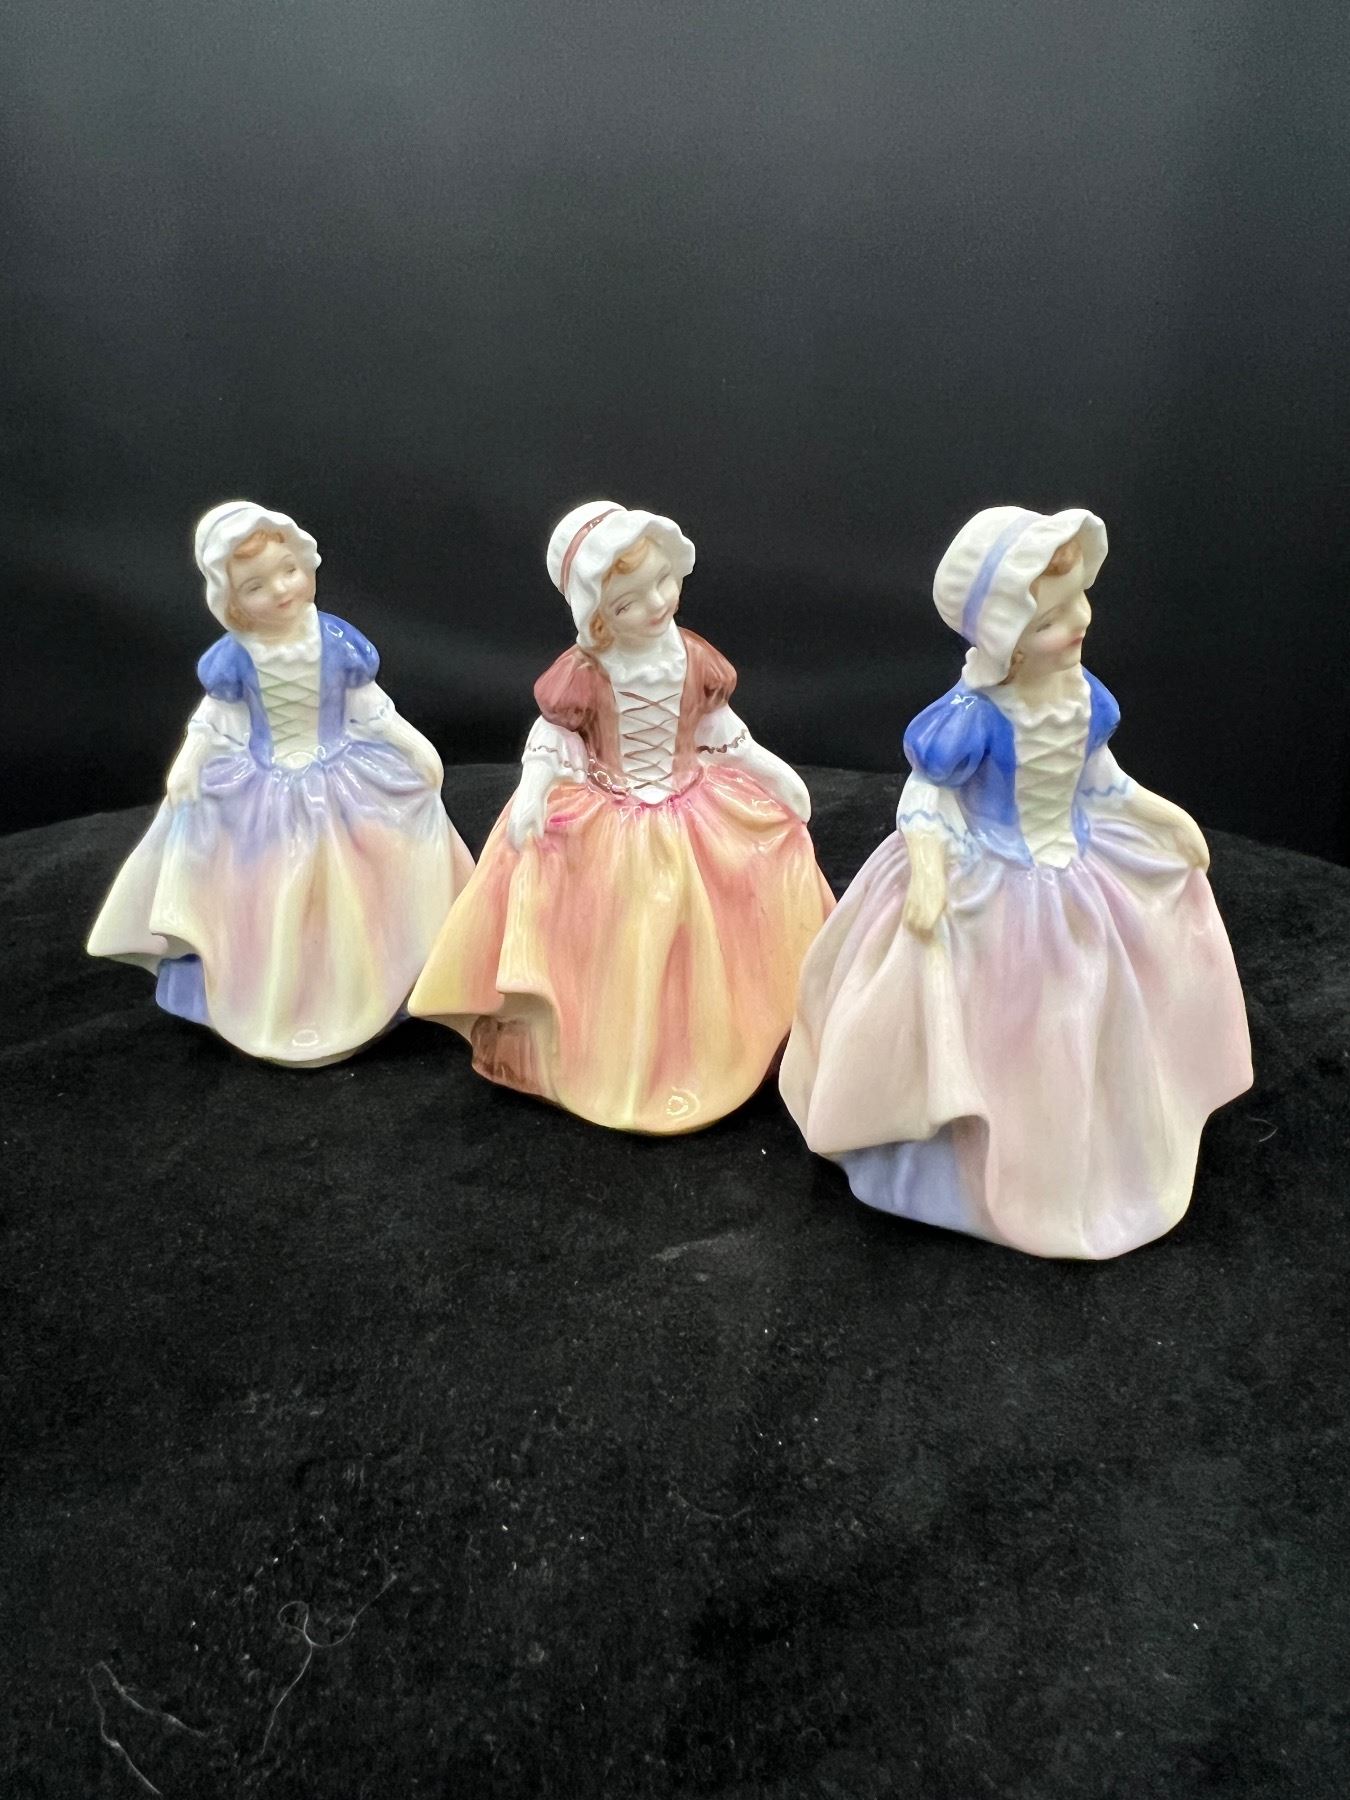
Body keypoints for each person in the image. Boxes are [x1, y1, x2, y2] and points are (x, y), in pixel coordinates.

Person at [779, 505, 1253, 1258]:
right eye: (1051, 619)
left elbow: (1101, 780)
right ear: (1006, 638)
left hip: (1073, 862)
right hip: (987, 871)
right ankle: (970, 1151)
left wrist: (1162, 817)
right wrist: (927, 871)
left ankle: (1100, 1138)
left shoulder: (1083, 697)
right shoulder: (970, 716)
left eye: (1078, 601)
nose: (1078, 623)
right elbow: (925, 799)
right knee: (985, 1000)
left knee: (1110, 975)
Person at [409, 500, 833, 1133]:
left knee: (738, 891)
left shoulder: (693, 658)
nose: (657, 603)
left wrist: (775, 776)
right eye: (629, 602)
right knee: (601, 918)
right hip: (608, 812)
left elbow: (722, 733)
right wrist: (534, 788)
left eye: (663, 582)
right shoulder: (583, 674)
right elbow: (554, 739)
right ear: (597, 614)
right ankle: (606, 1051)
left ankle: (722, 1037)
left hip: (692, 804)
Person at [87, 500, 472, 1064]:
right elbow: (216, 722)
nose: (281, 589)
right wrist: (189, 762)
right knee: (255, 876)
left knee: (375, 857)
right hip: (264, 785)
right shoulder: (234, 659)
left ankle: (379, 977)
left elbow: (370, 708)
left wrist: (414, 745)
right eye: (256, 586)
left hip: (343, 773)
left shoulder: (336, 641)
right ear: (230, 600)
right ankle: (269, 994)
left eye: (288, 570)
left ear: (306, 563)